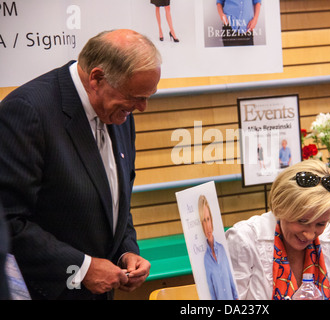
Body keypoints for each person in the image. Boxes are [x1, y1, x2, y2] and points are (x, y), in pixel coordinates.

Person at [0, 29, 161, 300]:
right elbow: (9, 221)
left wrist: (126, 251)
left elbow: (113, 200)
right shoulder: (27, 111)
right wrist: (82, 268)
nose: (142, 107)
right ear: (97, 78)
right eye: (135, 97)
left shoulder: (120, 109)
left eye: (146, 97)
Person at [226, 159, 330, 300]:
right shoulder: (244, 240)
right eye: (302, 221)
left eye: (321, 224)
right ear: (280, 208)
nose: (309, 235)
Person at [198, 195, 238, 300]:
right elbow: (211, 290)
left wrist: (236, 297)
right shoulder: (206, 259)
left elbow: (230, 277)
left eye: (208, 219)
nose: (207, 225)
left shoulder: (222, 249)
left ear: (211, 220)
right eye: (204, 221)